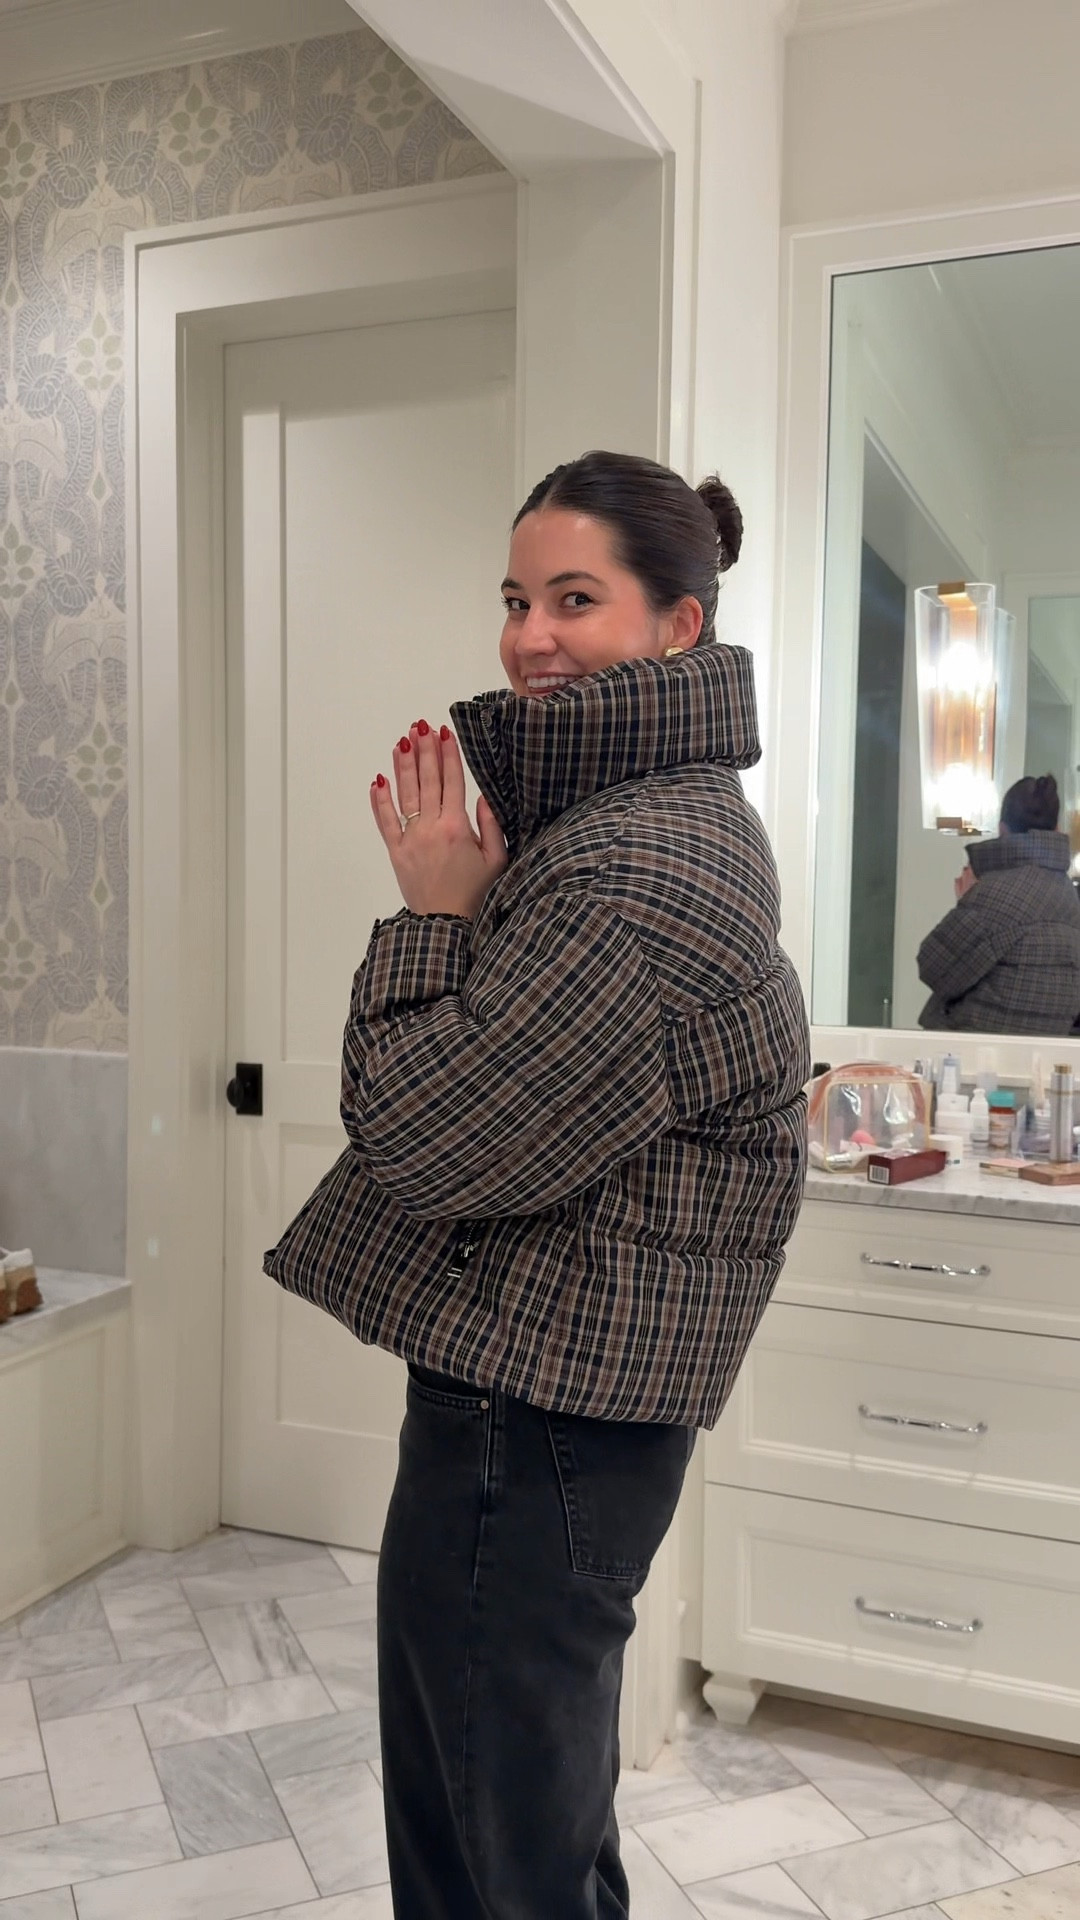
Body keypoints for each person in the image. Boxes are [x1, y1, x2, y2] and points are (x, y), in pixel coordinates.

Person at [265, 450, 810, 1919]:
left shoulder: (641, 866)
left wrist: (434, 914)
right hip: (562, 1393)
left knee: (489, 1850)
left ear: (678, 626)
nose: (529, 638)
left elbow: (429, 1142)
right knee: (526, 1819)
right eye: (516, 600)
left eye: (576, 599)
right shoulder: (631, 824)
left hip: (540, 1407)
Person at [918, 772, 1080, 1033]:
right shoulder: (1068, 895)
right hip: (1042, 1047)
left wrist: (968, 898)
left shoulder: (997, 893)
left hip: (975, 1047)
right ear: (1057, 830)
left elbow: (933, 967)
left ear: (1003, 830)